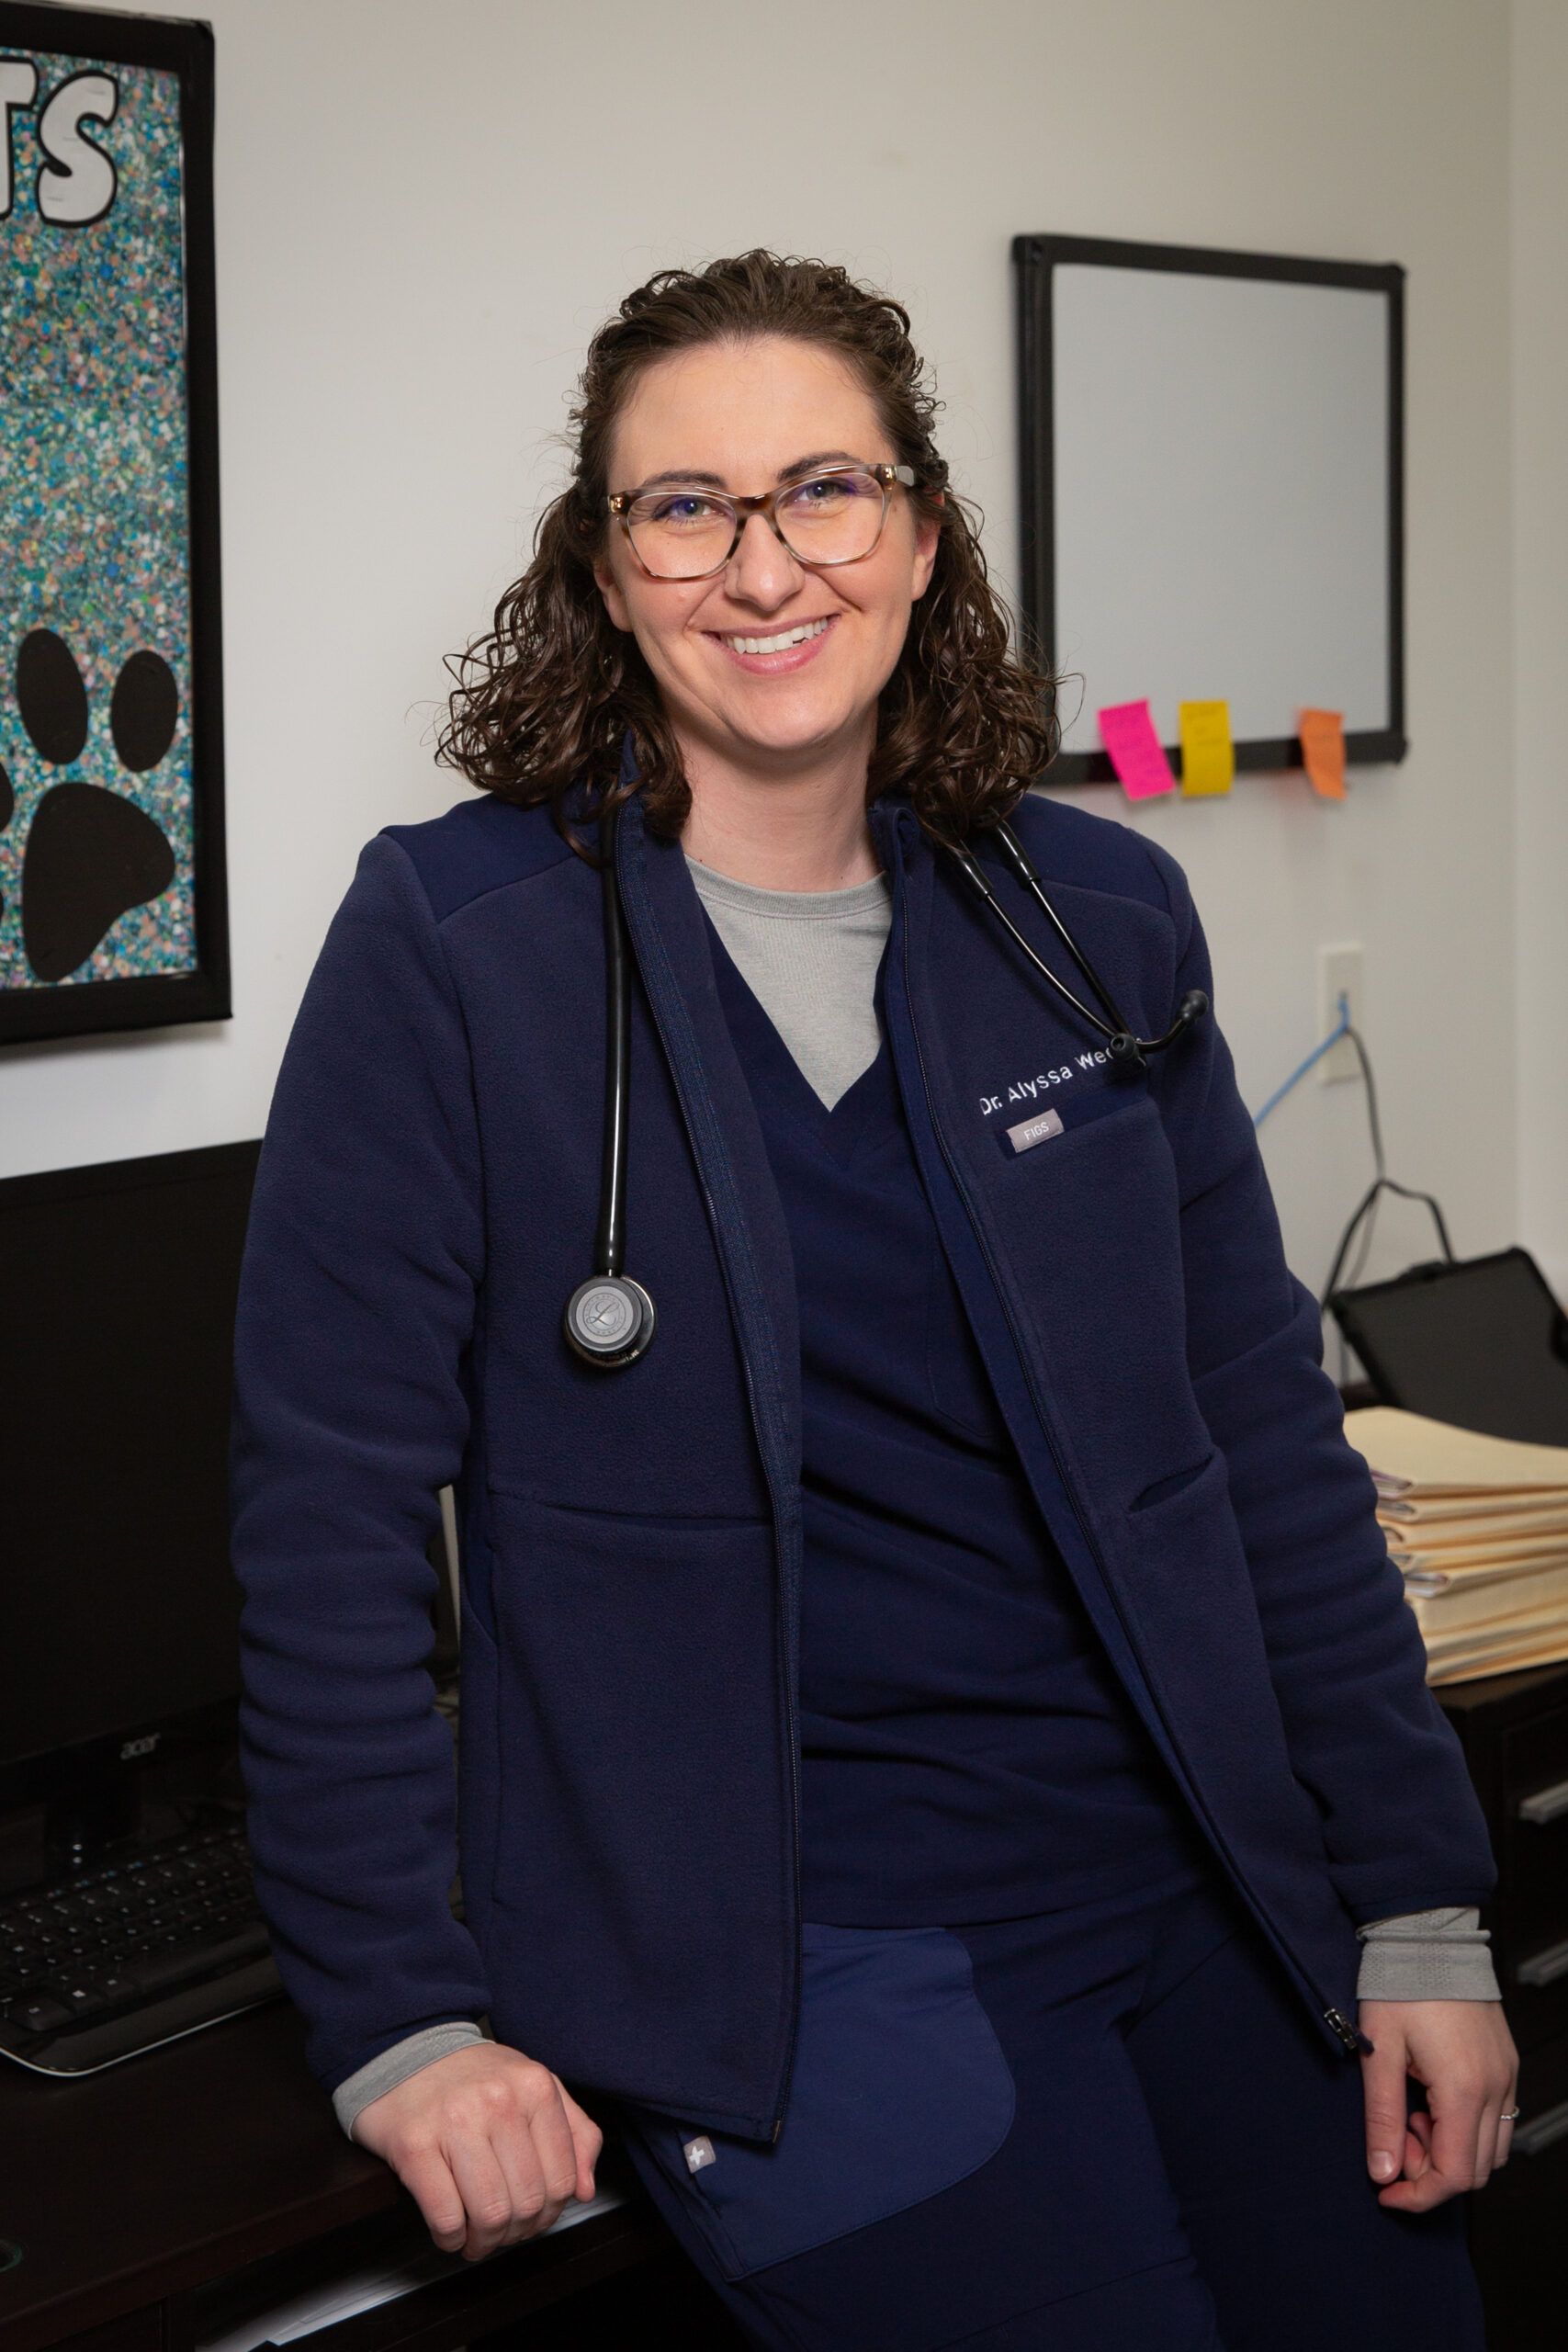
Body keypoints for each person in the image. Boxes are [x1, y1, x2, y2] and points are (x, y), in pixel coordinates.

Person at [229, 252, 1518, 2350]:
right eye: (685, 506)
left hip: (1196, 1876)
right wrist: (398, 2013)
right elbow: (326, 1511)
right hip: (804, 1953)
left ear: (918, 535)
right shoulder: (460, 949)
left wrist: (1416, 1900)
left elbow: (1255, 1434)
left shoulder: (1088, 916)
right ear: (605, 564)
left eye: (822, 488)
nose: (762, 565)